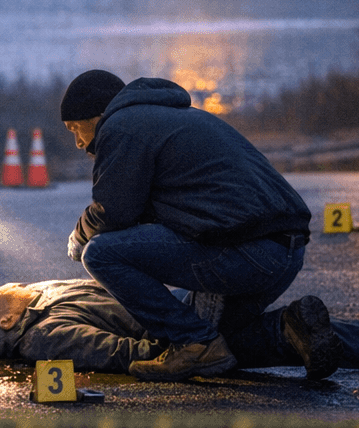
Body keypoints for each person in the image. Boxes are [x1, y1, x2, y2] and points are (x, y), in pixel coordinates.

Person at [59, 70, 313, 381]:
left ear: (98, 115)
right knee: (217, 340)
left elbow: (113, 213)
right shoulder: (175, 118)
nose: (76, 142)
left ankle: (195, 343)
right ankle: (298, 329)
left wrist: (79, 234)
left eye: (75, 128)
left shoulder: (122, 126)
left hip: (248, 252)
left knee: (100, 254)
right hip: (284, 252)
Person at [0, 279, 359, 376]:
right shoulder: (43, 333)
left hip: (185, 317)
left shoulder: (37, 305)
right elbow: (116, 351)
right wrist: (184, 346)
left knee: (304, 332)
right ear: (8, 318)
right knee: (292, 334)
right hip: (187, 332)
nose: (9, 285)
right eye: (0, 294)